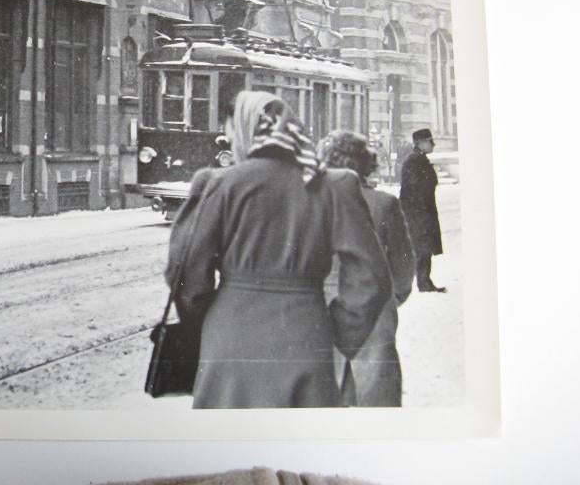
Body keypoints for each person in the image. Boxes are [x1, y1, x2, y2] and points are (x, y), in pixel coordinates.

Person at [165, 91, 391, 408]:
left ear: (245, 130)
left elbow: (184, 270)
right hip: (305, 332)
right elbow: (371, 275)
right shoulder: (334, 186)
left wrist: (204, 320)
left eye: (231, 135)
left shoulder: (216, 184)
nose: (231, 143)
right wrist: (343, 330)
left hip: (229, 335)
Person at [319, 130, 415, 406]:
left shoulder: (311, 200)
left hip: (321, 307)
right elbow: (403, 263)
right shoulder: (384, 203)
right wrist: (392, 297)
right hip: (375, 307)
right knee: (376, 394)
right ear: (365, 163)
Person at [400, 128, 446, 292]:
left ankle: (424, 281)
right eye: (429, 141)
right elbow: (414, 187)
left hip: (422, 211)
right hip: (418, 213)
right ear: (420, 143)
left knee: (424, 247)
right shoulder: (414, 161)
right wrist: (420, 213)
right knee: (422, 247)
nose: (433, 144)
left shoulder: (419, 159)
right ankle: (423, 282)